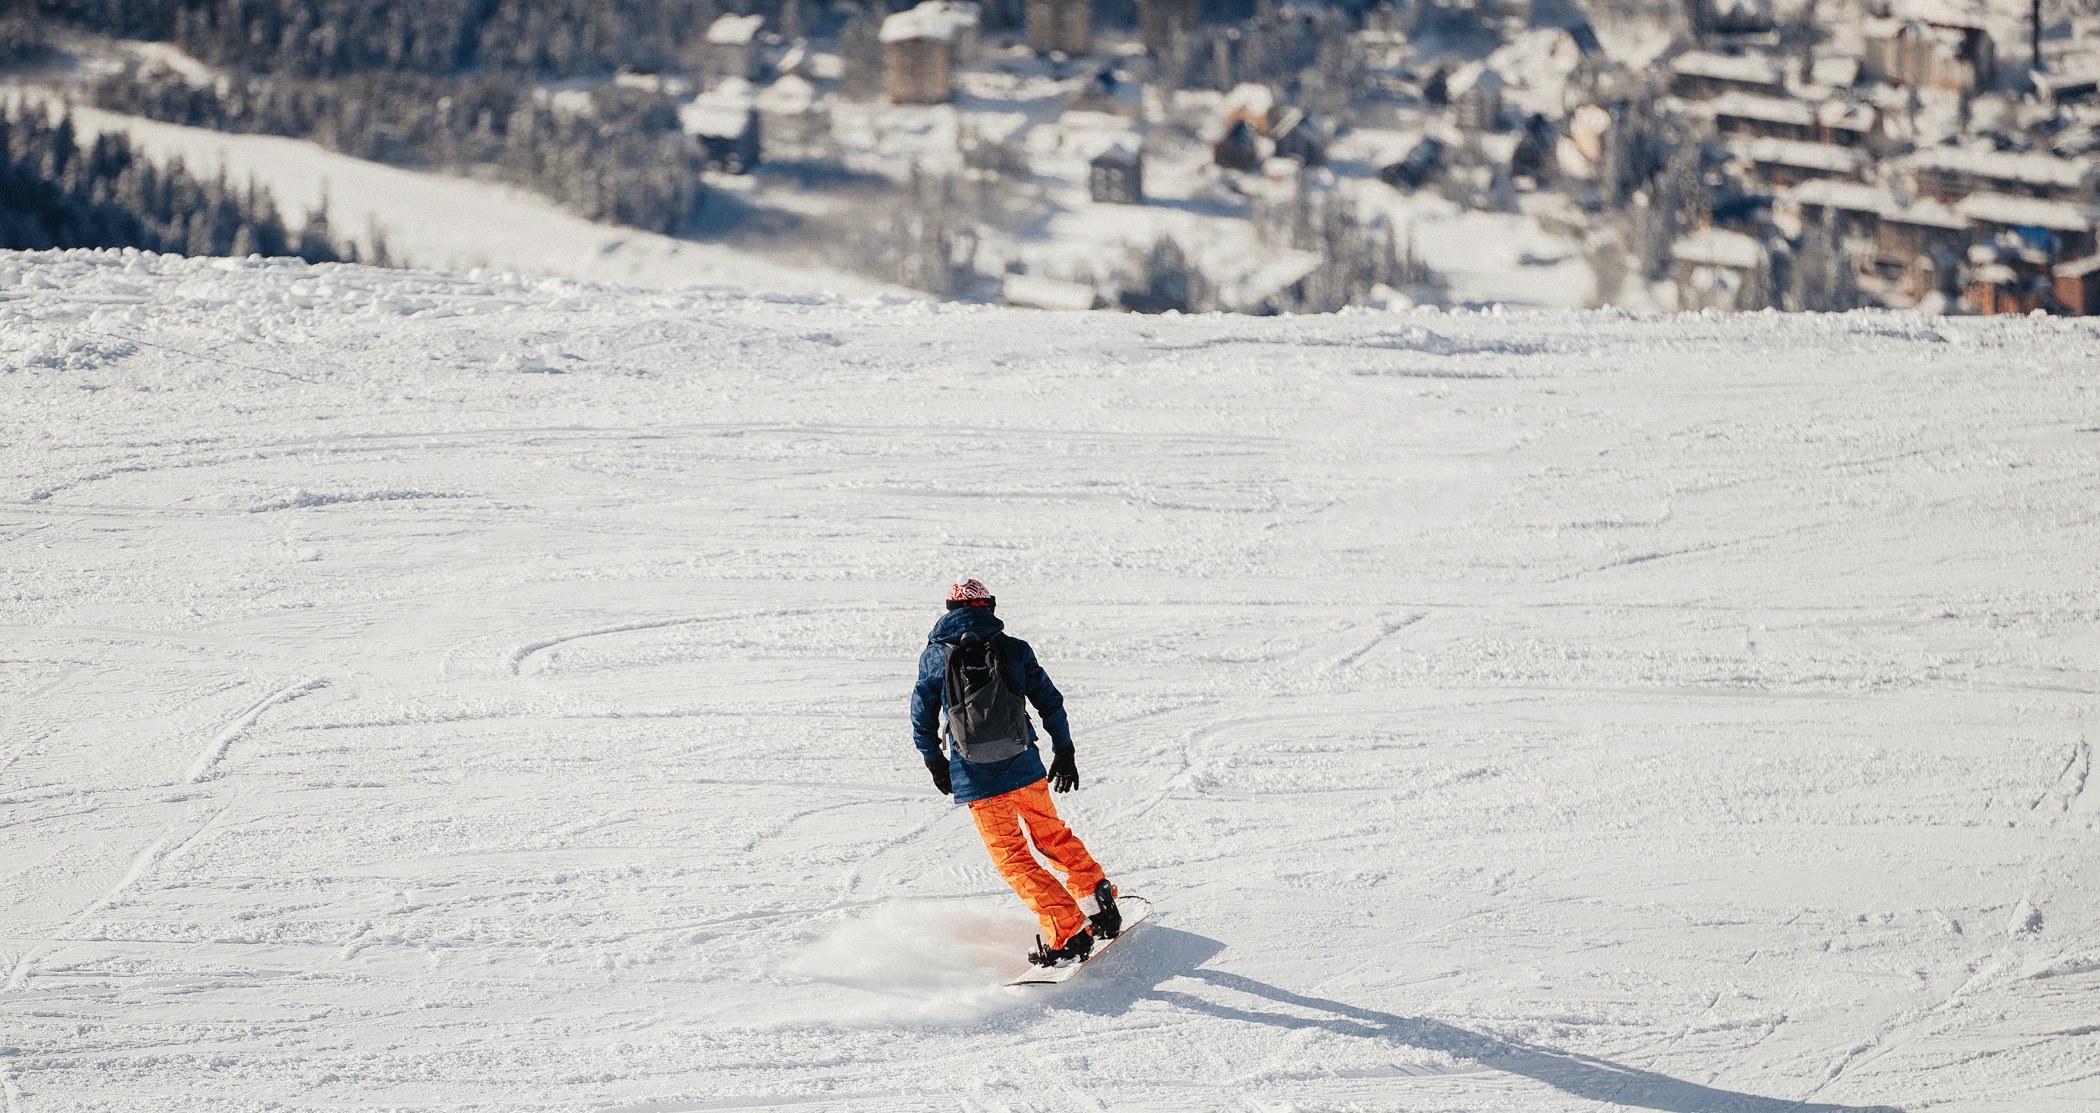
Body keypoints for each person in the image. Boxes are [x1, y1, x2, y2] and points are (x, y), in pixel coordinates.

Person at [910, 579, 1122, 967]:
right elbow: (1048, 700)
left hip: (976, 778)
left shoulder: (935, 657)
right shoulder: (1013, 648)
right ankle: (1098, 903)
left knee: (1014, 857)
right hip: (1024, 767)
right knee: (1051, 836)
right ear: (988, 606)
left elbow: (922, 716)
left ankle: (1067, 931)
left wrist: (934, 762)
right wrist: (1064, 749)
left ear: (949, 608)